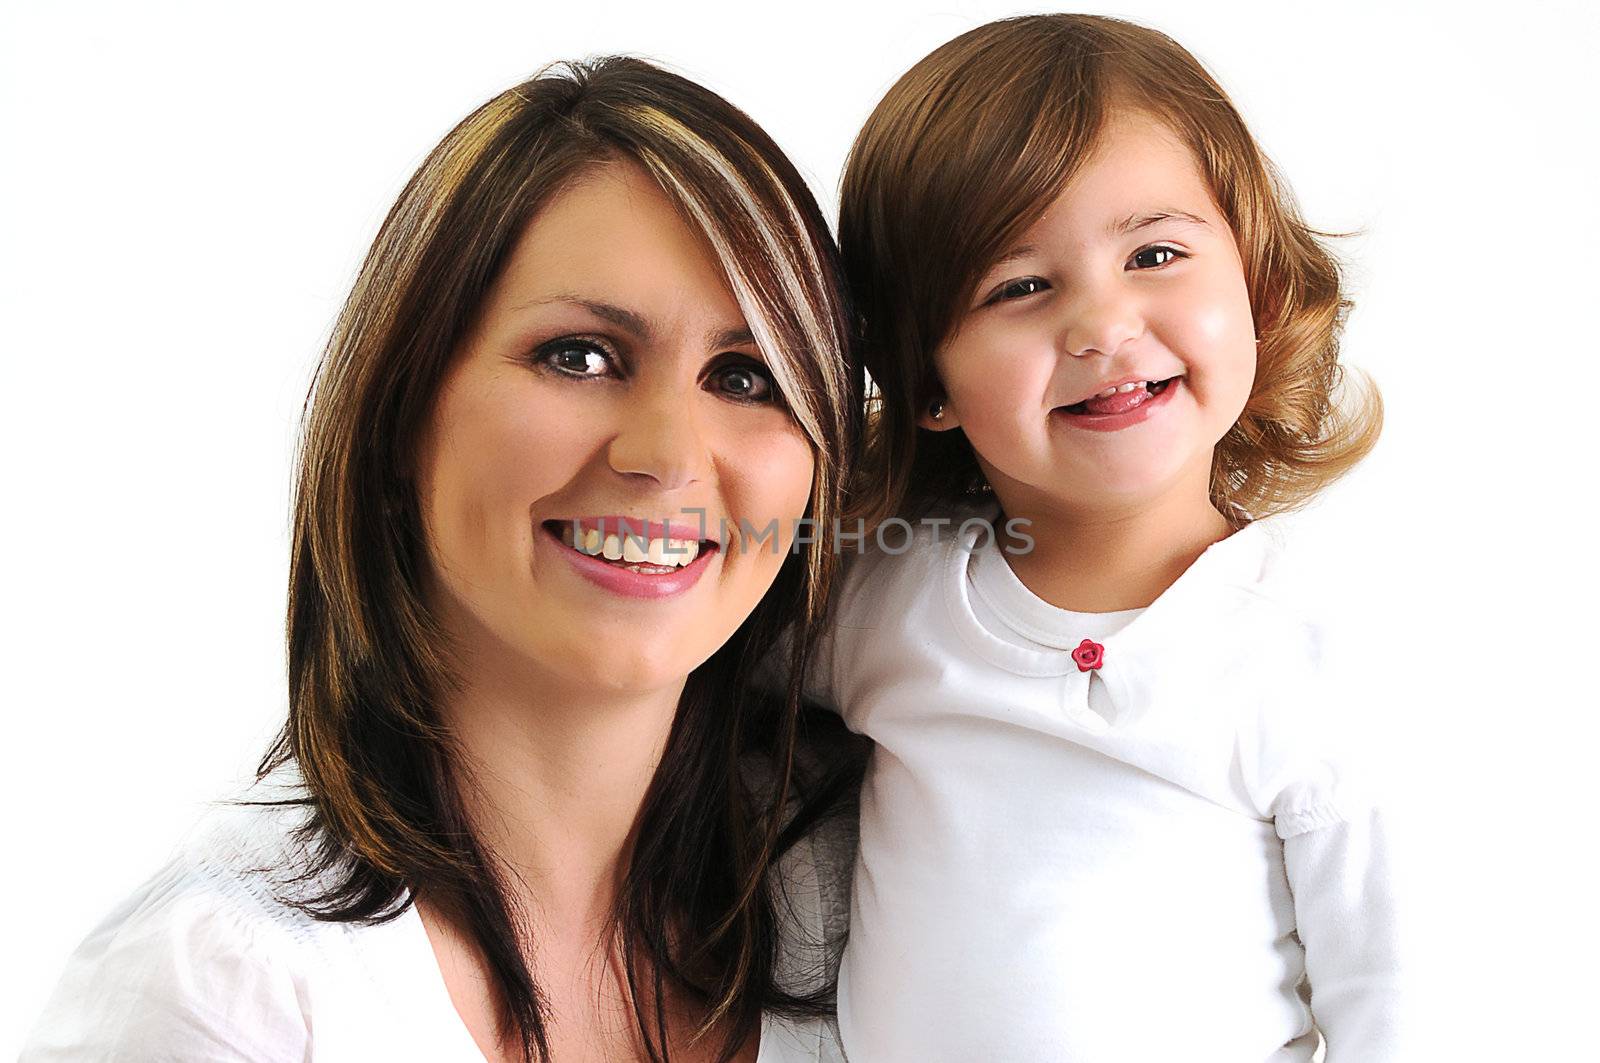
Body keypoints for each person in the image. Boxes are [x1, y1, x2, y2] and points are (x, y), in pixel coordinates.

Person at [22, 56, 864, 1063]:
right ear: (400, 413)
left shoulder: (873, 881)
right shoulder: (224, 992)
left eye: (746, 375)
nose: (667, 457)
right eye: (579, 356)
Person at [810, 13, 1405, 1062]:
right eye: (1019, 287)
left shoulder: (1308, 648)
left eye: (1155, 253)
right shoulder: (882, 594)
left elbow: (1397, 997)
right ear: (925, 382)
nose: (1100, 325)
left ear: (1255, 285)